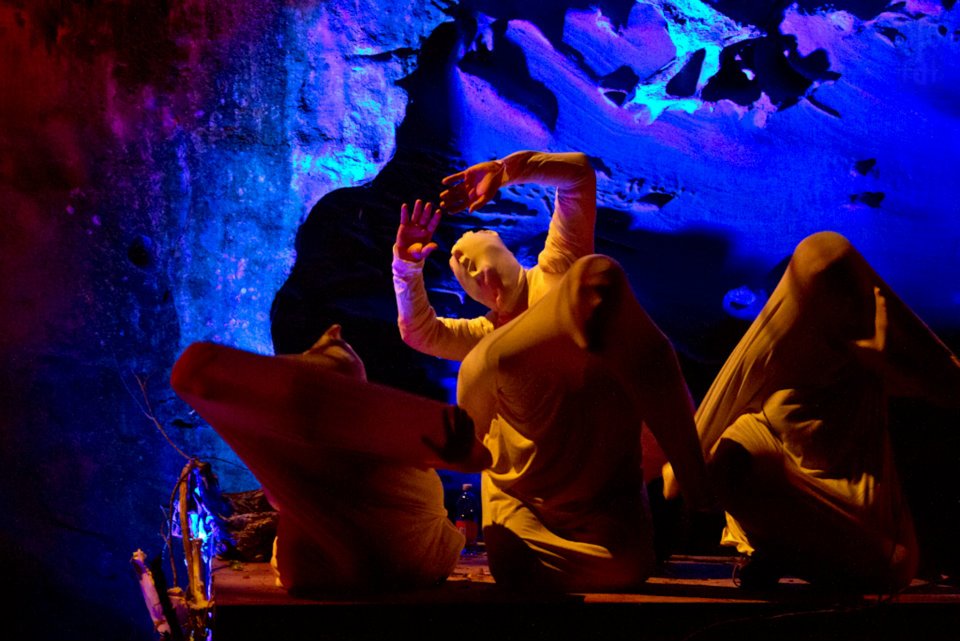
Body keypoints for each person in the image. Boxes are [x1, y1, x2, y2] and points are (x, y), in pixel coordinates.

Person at [392, 150, 713, 591]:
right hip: (529, 496)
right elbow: (418, 331)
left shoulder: (558, 267)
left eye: (475, 252)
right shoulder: (482, 334)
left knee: (596, 276)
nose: (472, 267)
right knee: (518, 560)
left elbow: (578, 176)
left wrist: (507, 171)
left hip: (597, 487)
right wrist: (406, 268)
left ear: (506, 251)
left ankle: (689, 471)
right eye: (462, 268)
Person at [663, 231, 960, 592]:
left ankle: (796, 557)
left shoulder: (860, 365)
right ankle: (786, 553)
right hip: (795, 499)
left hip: (870, 531)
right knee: (733, 453)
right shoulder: (770, 366)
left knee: (892, 563)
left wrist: (885, 363)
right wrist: (689, 469)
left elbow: (944, 384)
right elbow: (702, 454)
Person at [171, 324, 488, 593]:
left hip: (345, 570)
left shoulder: (373, 437)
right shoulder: (374, 437)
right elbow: (478, 458)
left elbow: (195, 369)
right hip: (398, 566)